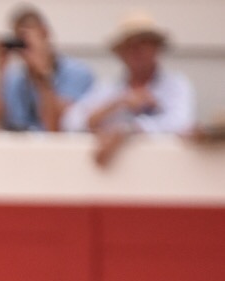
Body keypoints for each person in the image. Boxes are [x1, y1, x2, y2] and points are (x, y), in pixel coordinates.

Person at [65, 9, 196, 165]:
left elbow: (180, 123)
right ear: (120, 53)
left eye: (143, 44)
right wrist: (118, 104)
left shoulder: (175, 85)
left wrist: (127, 130)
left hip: (162, 171)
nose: (136, 51)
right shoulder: (109, 88)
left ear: (156, 48)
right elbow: (71, 122)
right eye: (129, 46)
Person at [0, 4, 94, 132]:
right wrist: (0, 70)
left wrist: (42, 74)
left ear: (45, 33)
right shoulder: (14, 80)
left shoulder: (77, 73)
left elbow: (57, 127)